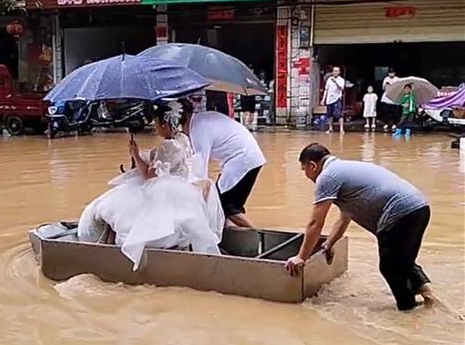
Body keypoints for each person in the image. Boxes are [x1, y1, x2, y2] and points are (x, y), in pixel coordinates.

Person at [285, 144, 434, 311]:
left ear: (313, 166)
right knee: (402, 262)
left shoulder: (327, 177)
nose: (306, 175)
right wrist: (329, 244)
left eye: (304, 170)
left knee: (390, 267)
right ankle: (430, 299)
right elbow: (344, 218)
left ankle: (408, 313)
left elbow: (315, 223)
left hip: (399, 212)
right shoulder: (345, 168)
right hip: (420, 207)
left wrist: (301, 257)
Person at [78, 101, 224, 269]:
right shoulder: (183, 139)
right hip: (185, 191)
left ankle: (112, 252)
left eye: (156, 123)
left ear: (164, 124)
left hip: (166, 195)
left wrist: (135, 155)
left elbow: (149, 177)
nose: (155, 127)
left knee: (116, 207)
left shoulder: (168, 146)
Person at [181, 105, 266, 229]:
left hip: (243, 160)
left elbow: (200, 172)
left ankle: (257, 235)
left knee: (227, 207)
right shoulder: (201, 119)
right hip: (245, 158)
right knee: (220, 203)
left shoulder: (198, 131)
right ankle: (225, 233)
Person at [322, 67, 345, 134]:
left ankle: (341, 129)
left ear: (339, 72)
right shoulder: (329, 79)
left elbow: (341, 88)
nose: (335, 72)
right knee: (329, 115)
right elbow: (326, 90)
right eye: (334, 71)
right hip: (329, 99)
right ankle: (330, 128)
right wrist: (323, 99)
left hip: (337, 99)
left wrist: (336, 82)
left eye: (337, 71)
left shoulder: (341, 80)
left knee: (339, 114)